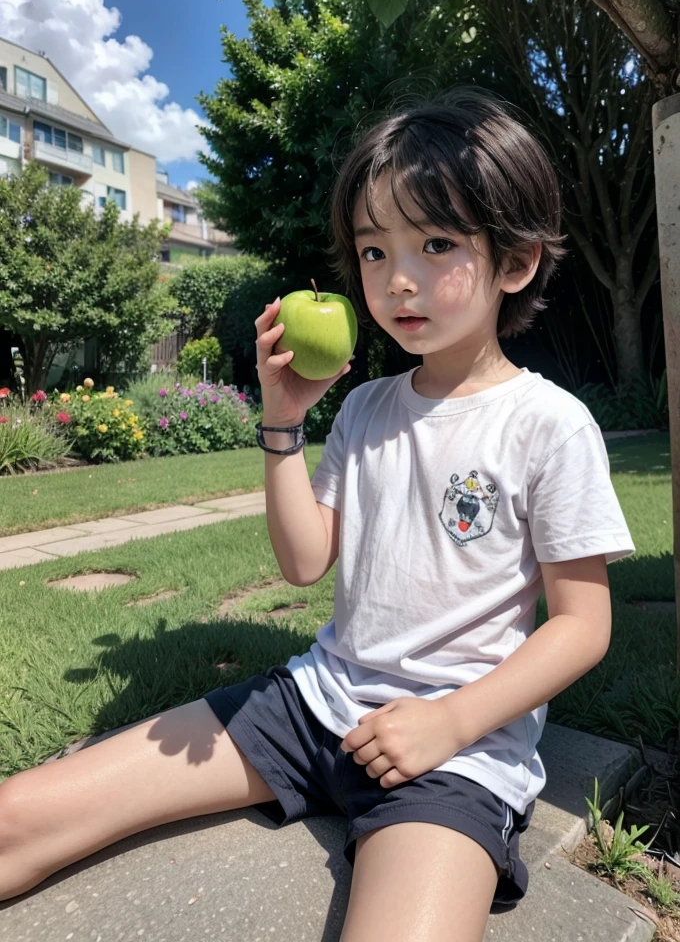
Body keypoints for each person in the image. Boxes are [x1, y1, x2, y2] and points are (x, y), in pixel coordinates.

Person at [0, 86, 635, 942]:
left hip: (455, 756)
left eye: (436, 243)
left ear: (515, 262)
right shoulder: (366, 407)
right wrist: (283, 422)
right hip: (312, 705)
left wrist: (448, 721)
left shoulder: (548, 424)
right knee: (17, 819)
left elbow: (582, 626)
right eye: (374, 251)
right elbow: (305, 563)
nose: (398, 278)